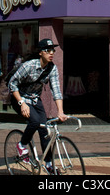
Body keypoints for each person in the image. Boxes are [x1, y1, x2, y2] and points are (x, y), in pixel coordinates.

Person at [8, 38, 67, 173]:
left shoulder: (52, 69)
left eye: (53, 50)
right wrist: (22, 103)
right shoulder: (28, 66)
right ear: (41, 53)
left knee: (45, 130)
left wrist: (60, 111)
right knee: (34, 121)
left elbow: (56, 90)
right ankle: (21, 145)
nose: (51, 53)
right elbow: (12, 84)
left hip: (35, 99)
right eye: (48, 50)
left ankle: (48, 163)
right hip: (19, 97)